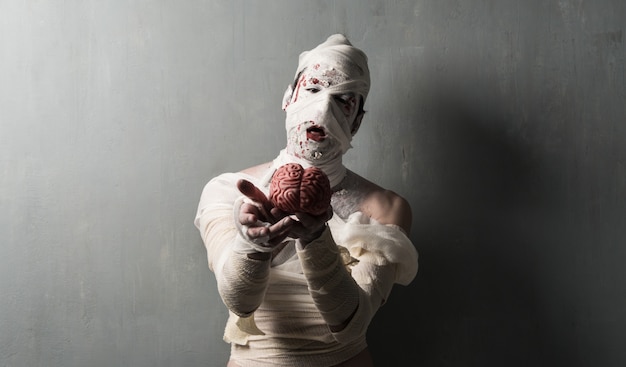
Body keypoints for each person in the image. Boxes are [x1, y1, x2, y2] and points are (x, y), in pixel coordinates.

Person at [194, 34, 418, 367]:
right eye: (313, 89)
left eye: (343, 99)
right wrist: (253, 244)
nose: (323, 107)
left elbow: (351, 324)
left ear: (357, 120)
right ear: (289, 97)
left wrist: (315, 238)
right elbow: (240, 300)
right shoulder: (230, 191)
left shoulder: (384, 208)